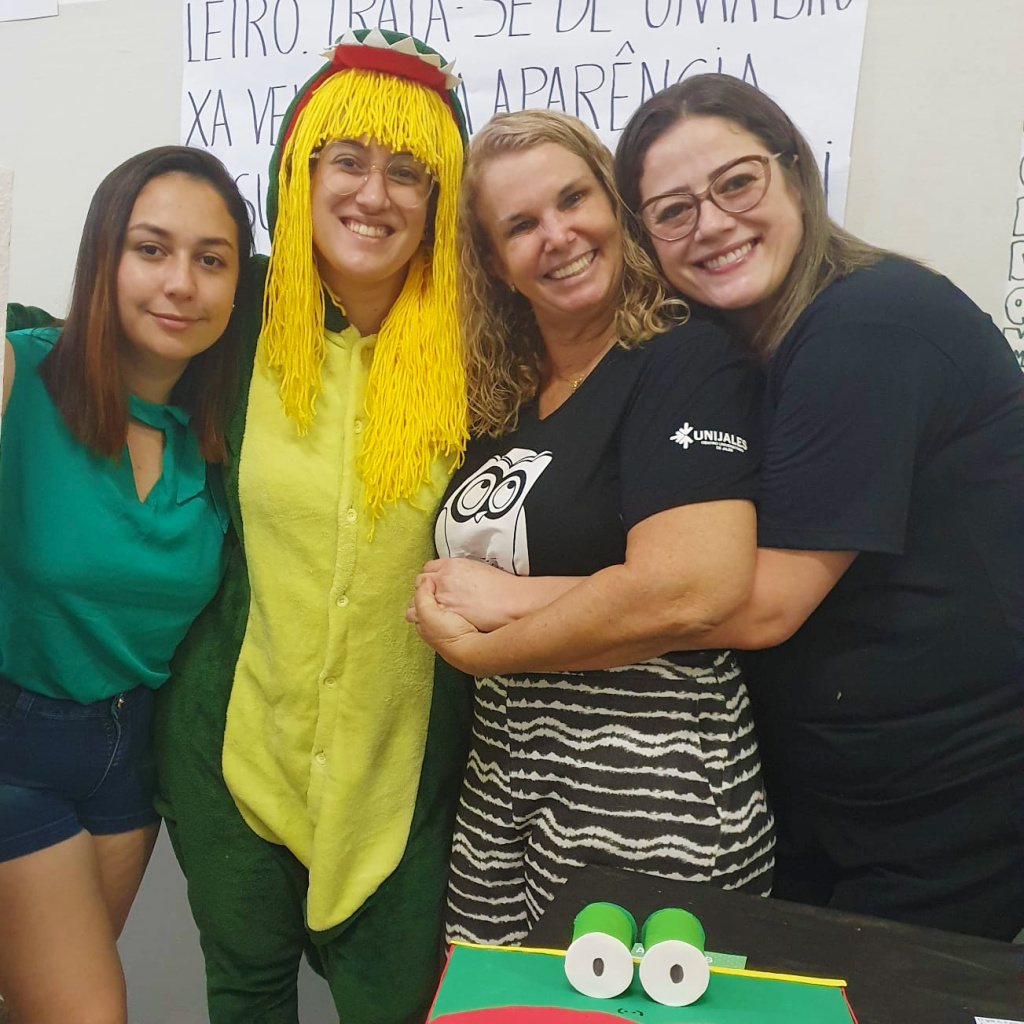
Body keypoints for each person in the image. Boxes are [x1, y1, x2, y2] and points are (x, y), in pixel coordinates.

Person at [611, 73, 1024, 941]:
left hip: (944, 798)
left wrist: (512, 609)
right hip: (828, 784)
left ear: (795, 174)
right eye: (673, 211)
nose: (712, 224)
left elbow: (760, 605)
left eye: (737, 183)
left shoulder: (869, 324)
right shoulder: (730, 350)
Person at [150, 31, 473, 1024]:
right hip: (235, 750)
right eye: (348, 161)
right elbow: (95, 341)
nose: (374, 194)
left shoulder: (485, 339)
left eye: (407, 172)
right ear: (300, 169)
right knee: (246, 995)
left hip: (402, 774)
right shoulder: (231, 308)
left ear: (442, 197)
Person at [408, 109, 775, 947]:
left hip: (653, 787)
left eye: (574, 199)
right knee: (486, 1003)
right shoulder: (500, 391)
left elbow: (693, 589)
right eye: (521, 225)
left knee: (617, 1001)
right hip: (503, 778)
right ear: (493, 263)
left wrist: (493, 625)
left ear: (615, 205)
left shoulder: (686, 358)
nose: (558, 235)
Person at [0, 146, 251, 1024]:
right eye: (151, 249)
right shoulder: (19, 376)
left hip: (128, 762)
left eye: (211, 259)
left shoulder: (213, 439)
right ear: (102, 256)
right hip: (15, 745)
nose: (181, 282)